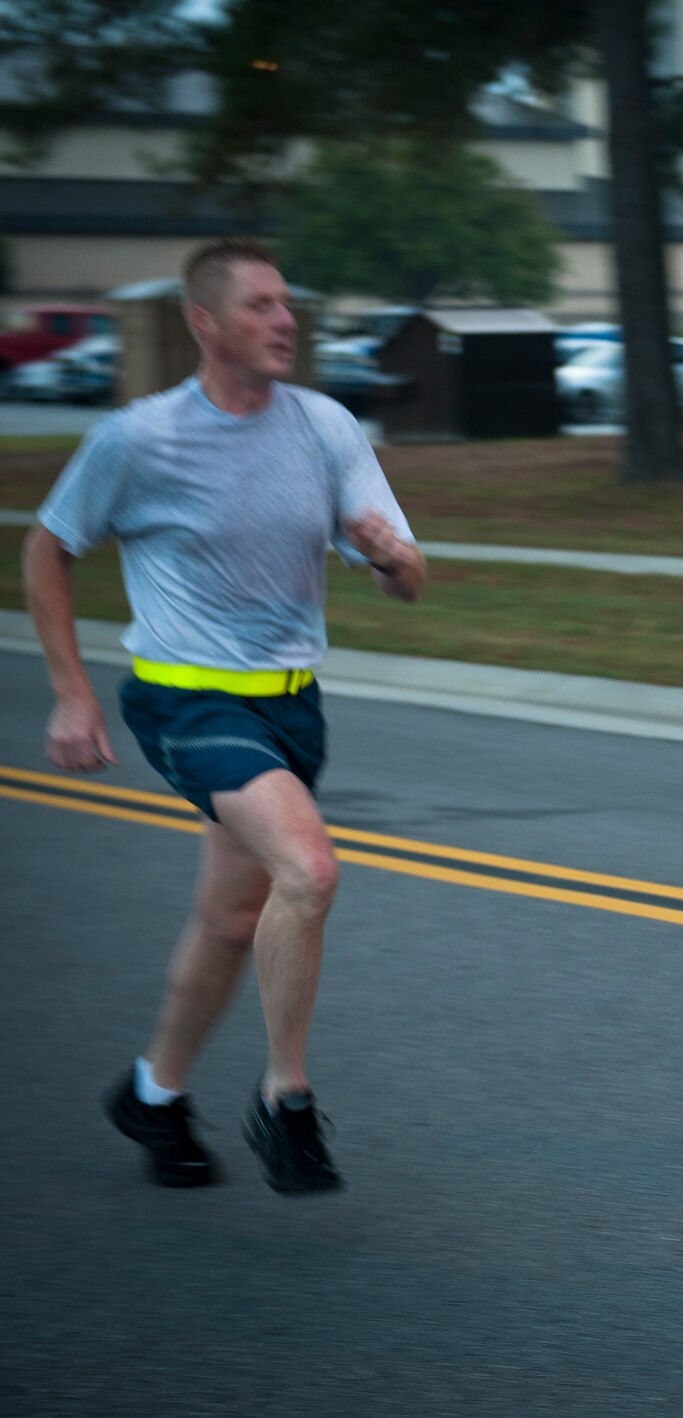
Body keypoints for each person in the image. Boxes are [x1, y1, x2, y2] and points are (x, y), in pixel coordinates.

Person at [23, 237, 426, 1194]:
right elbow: (47, 550)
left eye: (286, 304)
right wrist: (74, 689)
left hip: (292, 705)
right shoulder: (140, 438)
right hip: (185, 696)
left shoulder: (324, 427)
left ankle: (153, 1095)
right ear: (205, 323)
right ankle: (285, 1098)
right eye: (258, 306)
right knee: (309, 870)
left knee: (234, 916)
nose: (284, 321)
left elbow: (409, 579)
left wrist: (385, 556)